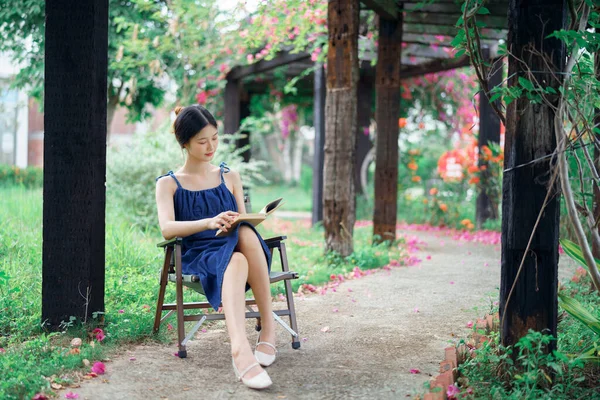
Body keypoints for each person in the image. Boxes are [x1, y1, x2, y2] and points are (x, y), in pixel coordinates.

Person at [155, 105, 276, 390]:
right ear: (184, 143)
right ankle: (241, 350)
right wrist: (209, 222)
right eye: (202, 140)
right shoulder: (169, 184)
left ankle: (264, 331)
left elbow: (243, 219)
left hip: (235, 243)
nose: (211, 146)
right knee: (236, 262)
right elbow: (167, 228)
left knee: (245, 232)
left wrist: (237, 221)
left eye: (215, 137)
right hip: (198, 254)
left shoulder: (229, 176)